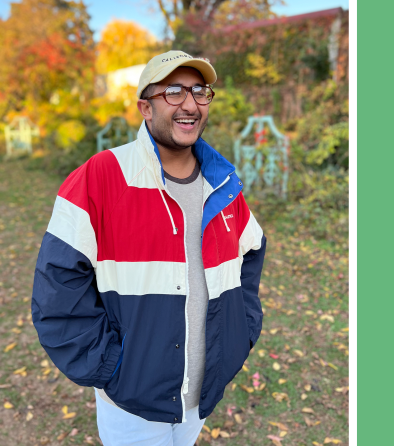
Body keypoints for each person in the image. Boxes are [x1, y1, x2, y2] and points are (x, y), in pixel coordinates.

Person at [31, 50, 267, 446]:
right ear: (145, 106)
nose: (190, 104)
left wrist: (239, 335)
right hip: (131, 403)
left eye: (199, 91)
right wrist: (110, 367)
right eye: (173, 91)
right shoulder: (100, 176)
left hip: (200, 396)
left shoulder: (223, 185)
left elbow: (250, 256)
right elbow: (56, 289)